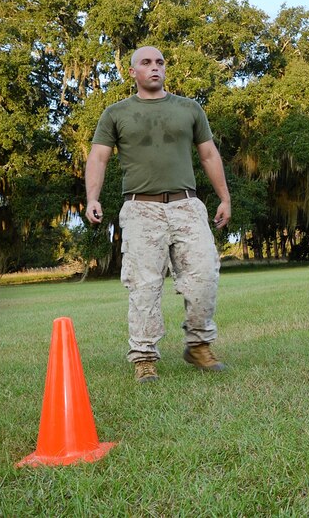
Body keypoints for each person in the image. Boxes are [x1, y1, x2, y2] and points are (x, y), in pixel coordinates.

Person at [85, 46, 232, 383]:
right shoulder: (116, 113)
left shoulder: (189, 109)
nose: (155, 68)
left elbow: (209, 155)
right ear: (133, 71)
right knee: (144, 286)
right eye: (146, 63)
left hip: (187, 206)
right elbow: (98, 158)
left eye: (160, 63)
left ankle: (198, 346)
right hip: (140, 208)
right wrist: (92, 198)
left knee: (205, 277)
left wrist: (224, 198)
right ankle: (144, 357)